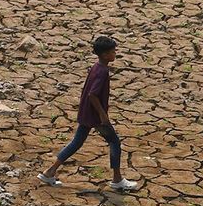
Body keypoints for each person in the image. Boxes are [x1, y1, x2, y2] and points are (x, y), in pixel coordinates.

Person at [38, 35, 138, 191]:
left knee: (76, 143)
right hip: (95, 116)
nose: (115, 54)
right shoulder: (103, 71)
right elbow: (93, 94)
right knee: (114, 142)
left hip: (86, 113)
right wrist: (102, 115)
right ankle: (117, 179)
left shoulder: (96, 67)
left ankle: (50, 171)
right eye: (113, 52)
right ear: (105, 55)